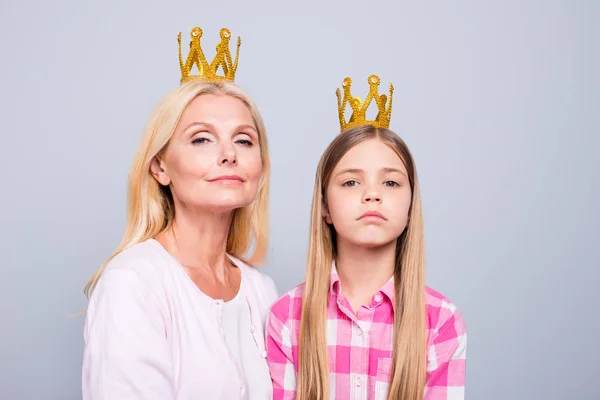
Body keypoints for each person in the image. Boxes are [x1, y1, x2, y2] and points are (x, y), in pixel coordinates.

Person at [82, 26, 277, 400]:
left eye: (244, 140)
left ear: (260, 168)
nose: (229, 154)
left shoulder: (262, 291)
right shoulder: (133, 282)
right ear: (160, 167)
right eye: (202, 138)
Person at [265, 75, 467, 400]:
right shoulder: (287, 316)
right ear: (324, 207)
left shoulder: (440, 320)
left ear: (410, 205)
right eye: (350, 183)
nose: (372, 194)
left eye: (390, 183)